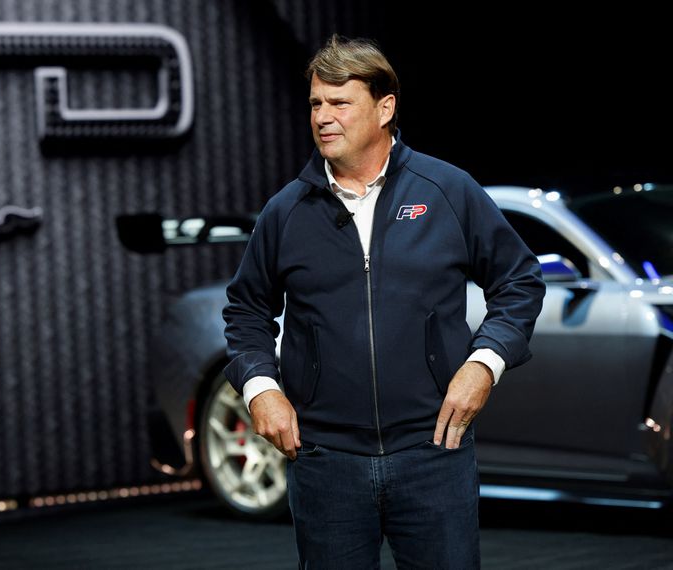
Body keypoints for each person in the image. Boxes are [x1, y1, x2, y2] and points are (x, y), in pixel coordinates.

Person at [222, 34, 545, 569]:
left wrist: (483, 366)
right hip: (326, 461)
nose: (323, 116)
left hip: (434, 451)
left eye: (340, 102)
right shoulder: (286, 211)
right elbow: (245, 311)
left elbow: (519, 281)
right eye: (315, 104)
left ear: (385, 108)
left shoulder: (447, 190)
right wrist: (260, 389)